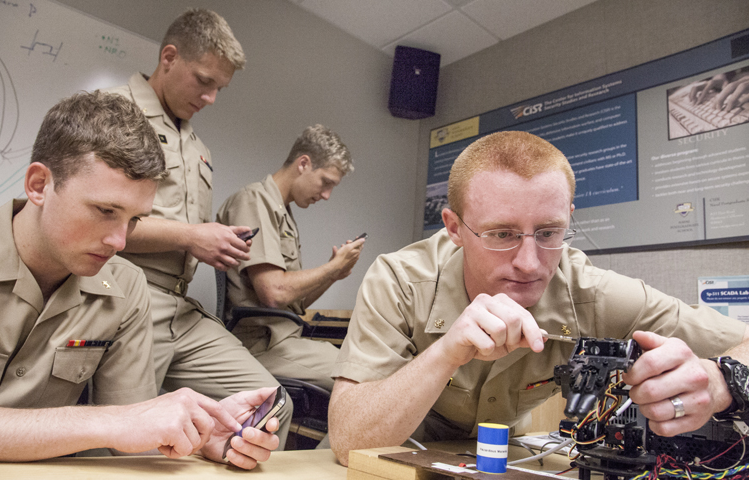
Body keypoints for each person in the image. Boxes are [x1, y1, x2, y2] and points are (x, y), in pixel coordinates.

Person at [328, 130, 749, 465]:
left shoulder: (593, 291)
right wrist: (445, 354)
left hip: (509, 454)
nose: (530, 263)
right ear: (454, 228)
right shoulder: (400, 279)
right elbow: (349, 441)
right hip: (396, 452)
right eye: (501, 234)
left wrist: (722, 381)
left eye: (548, 232)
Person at [0, 91, 279, 467]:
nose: (120, 241)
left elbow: (132, 435)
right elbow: (116, 422)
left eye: (135, 219)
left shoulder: (126, 289)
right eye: (105, 210)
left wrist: (198, 438)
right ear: (39, 185)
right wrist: (104, 421)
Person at [104, 8, 293, 442]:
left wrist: (216, 241)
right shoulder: (112, 112)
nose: (210, 98)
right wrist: (192, 236)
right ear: (168, 57)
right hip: (126, 299)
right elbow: (96, 225)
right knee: (127, 443)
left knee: (272, 410)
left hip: (182, 309)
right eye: (204, 81)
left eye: (219, 88)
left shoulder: (198, 147)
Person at [216, 125, 364, 392]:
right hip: (262, 345)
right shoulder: (255, 201)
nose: (327, 195)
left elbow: (294, 302)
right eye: (326, 182)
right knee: (361, 380)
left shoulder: (282, 212)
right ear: (304, 164)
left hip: (283, 339)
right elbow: (274, 293)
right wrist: (332, 266)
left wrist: (334, 274)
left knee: (363, 368)